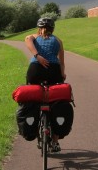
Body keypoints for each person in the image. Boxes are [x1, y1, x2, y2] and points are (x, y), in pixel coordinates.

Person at [24, 17, 67, 152]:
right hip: (54, 70)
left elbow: (27, 40)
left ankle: (37, 132)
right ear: (53, 29)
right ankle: (55, 141)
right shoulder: (58, 41)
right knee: (56, 101)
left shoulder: (33, 36)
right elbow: (61, 62)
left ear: (39, 28)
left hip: (35, 69)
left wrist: (37, 56)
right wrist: (62, 74)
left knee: (34, 97)